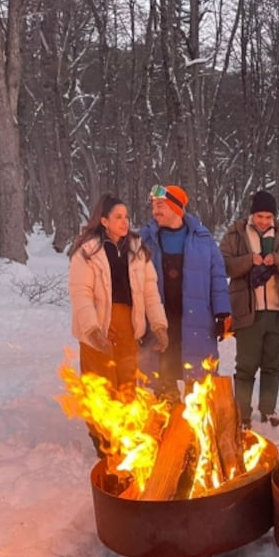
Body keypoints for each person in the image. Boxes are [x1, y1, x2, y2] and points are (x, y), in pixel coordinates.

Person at [69, 193, 169, 451]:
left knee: (126, 382)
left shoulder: (137, 250)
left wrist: (159, 325)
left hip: (128, 324)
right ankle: (101, 438)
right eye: (118, 217)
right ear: (104, 221)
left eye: (126, 216)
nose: (124, 222)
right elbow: (81, 293)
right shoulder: (87, 253)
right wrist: (92, 329)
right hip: (98, 325)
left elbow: (150, 291)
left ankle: (123, 435)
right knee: (101, 384)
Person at [220, 190, 279, 429]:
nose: (264, 221)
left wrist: (277, 259)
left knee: (272, 364)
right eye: (260, 216)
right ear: (252, 214)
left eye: (268, 217)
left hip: (278, 311)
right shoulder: (236, 233)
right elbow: (223, 265)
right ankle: (242, 414)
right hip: (248, 310)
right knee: (245, 365)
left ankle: (268, 410)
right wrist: (250, 260)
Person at [140, 184, 231, 399]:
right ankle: (167, 414)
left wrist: (222, 313)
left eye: (160, 206)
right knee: (162, 373)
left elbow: (218, 277)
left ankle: (197, 422)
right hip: (159, 321)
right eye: (153, 206)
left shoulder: (203, 239)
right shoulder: (144, 239)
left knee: (198, 378)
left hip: (196, 320)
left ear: (176, 208)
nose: (155, 211)